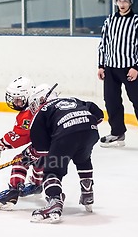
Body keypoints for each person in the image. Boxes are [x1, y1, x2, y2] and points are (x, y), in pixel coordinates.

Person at [25, 84, 104, 223]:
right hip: (90, 130)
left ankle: (54, 201)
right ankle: (87, 192)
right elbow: (98, 113)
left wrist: (33, 154)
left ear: (41, 99)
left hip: (65, 135)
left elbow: (42, 149)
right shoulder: (73, 100)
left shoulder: (43, 110)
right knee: (83, 158)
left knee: (52, 170)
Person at [97, 0, 138, 148]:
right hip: (110, 69)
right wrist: (101, 65)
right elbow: (103, 45)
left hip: (130, 70)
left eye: (125, 1)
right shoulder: (109, 20)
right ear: (116, 2)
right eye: (119, 1)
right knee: (111, 101)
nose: (122, 4)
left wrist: (136, 67)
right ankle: (117, 132)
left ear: (130, 2)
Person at [0, 75, 46, 210]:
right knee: (37, 156)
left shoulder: (28, 113)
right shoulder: (41, 102)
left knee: (20, 160)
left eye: (18, 100)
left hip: (48, 143)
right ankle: (37, 184)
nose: (14, 103)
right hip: (56, 140)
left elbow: (20, 135)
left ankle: (13, 193)